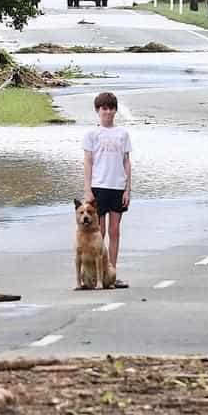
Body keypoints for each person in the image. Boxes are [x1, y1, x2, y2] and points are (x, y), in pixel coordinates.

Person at [82, 91, 131, 288]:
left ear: (115, 110)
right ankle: (95, 274)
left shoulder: (123, 134)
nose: (108, 112)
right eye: (104, 108)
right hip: (98, 186)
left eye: (111, 108)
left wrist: (128, 189)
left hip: (117, 186)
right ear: (98, 110)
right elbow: (88, 161)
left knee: (115, 230)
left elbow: (126, 161)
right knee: (98, 232)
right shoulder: (92, 134)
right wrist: (88, 188)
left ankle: (111, 272)